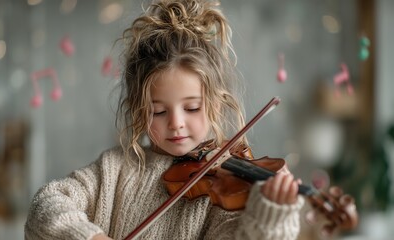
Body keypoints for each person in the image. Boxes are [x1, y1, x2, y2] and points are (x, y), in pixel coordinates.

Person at [25, 0, 304, 239]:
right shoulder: (114, 169)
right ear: (138, 110)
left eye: (192, 108)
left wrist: (271, 216)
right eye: (158, 111)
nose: (176, 123)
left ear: (216, 106)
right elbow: (45, 206)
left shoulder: (221, 194)